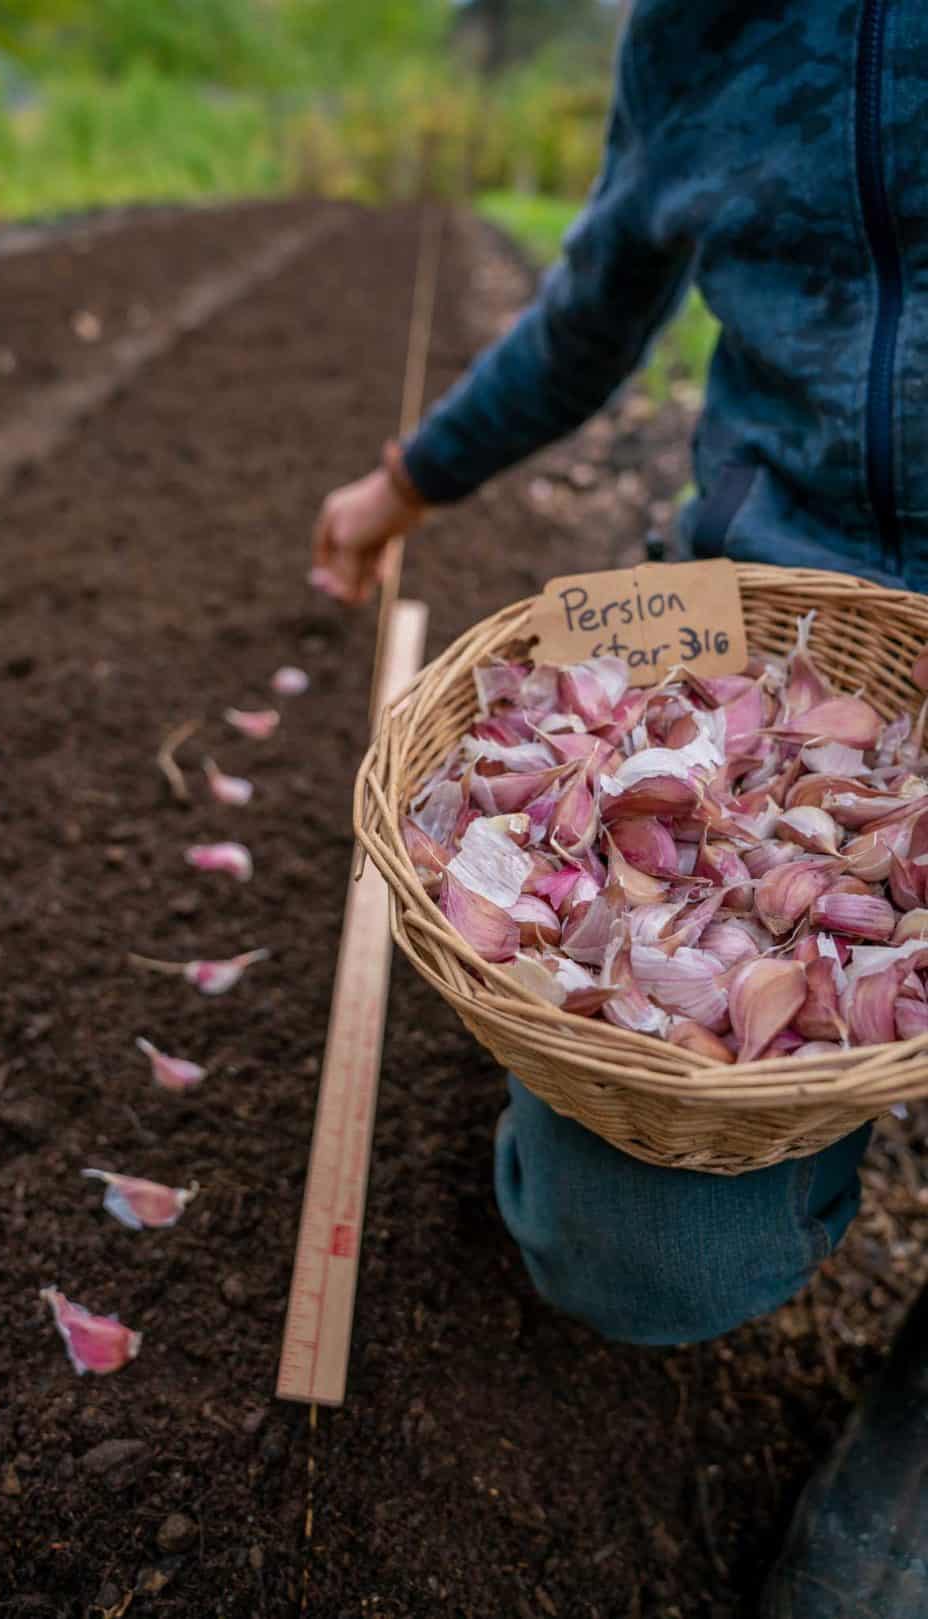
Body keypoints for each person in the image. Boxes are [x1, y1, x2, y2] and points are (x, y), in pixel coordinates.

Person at [313, 4, 928, 1609]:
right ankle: (678, 1079)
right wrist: (407, 480)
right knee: (644, 1262)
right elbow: (593, 303)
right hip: (758, 622)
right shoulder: (701, 28)